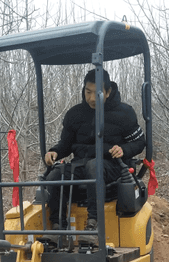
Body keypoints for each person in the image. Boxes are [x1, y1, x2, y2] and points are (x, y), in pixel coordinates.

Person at [44, 69, 146, 235]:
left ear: (108, 92)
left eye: (96, 93)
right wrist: (54, 152)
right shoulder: (74, 114)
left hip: (112, 167)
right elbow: (66, 144)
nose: (91, 98)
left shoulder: (124, 113)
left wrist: (123, 149)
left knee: (94, 166)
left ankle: (93, 224)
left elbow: (140, 142)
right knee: (56, 175)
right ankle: (58, 227)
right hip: (81, 165)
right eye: (87, 92)